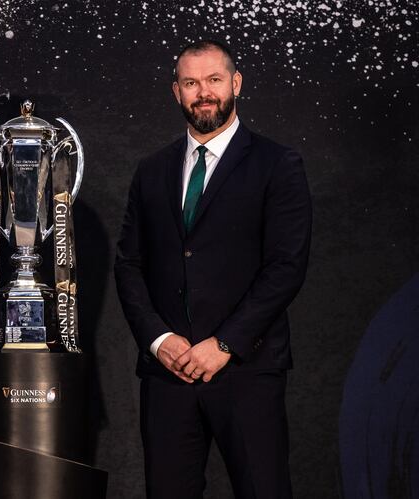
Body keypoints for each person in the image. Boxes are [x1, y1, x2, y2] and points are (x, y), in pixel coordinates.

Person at [115, 40, 312, 498]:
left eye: (214, 80)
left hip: (247, 370)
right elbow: (129, 265)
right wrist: (159, 340)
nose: (203, 92)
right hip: (169, 375)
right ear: (176, 92)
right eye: (191, 83)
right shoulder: (151, 170)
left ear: (236, 84)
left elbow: (286, 267)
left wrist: (224, 344)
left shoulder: (277, 164)